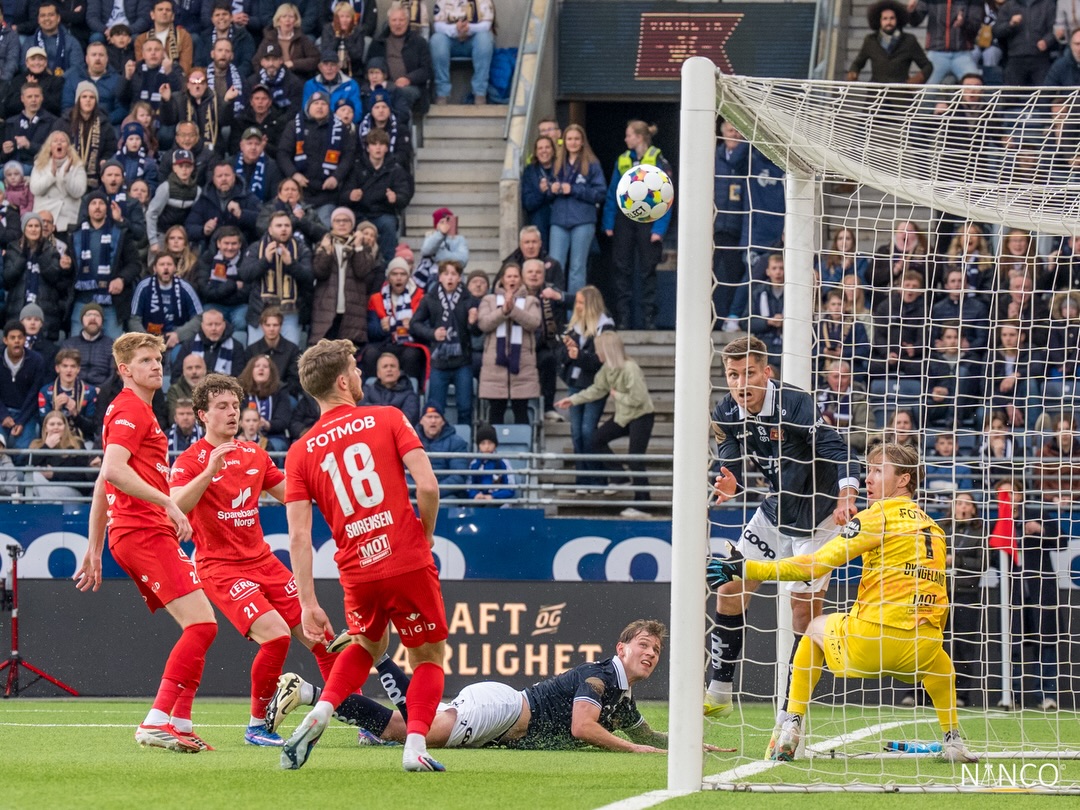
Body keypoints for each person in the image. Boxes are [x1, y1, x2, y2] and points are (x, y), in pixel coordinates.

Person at [705, 442, 979, 764]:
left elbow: (812, 566)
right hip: (922, 649)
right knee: (941, 663)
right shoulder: (934, 529)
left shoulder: (876, 517)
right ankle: (953, 739)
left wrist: (747, 568)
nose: (868, 479)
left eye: (878, 471)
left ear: (903, 480)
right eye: (868, 471)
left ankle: (791, 723)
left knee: (812, 630)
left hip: (871, 644)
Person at [279, 338, 448, 772]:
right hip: (405, 556)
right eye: (355, 369)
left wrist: (307, 602)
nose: (360, 375)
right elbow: (428, 486)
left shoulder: (299, 452)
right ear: (342, 381)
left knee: (368, 644)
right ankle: (414, 747)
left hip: (357, 569)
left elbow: (299, 537)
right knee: (428, 658)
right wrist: (426, 535)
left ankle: (323, 709)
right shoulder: (387, 416)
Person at [704, 335, 860, 738]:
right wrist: (729, 477)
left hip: (820, 517)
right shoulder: (726, 410)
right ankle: (719, 692)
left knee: (802, 616)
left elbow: (837, 448)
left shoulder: (795, 403)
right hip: (777, 510)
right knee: (729, 585)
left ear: (767, 372)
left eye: (749, 373)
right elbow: (728, 451)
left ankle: (791, 715)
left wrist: (847, 495)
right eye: (733, 375)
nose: (741, 384)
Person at [168, 373, 333, 745]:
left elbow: (292, 495)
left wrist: (327, 483)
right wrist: (209, 473)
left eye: (235, 406)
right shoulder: (191, 461)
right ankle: (257, 727)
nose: (232, 413)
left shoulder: (254, 454)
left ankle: (365, 720)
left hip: (263, 561)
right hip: (220, 568)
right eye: (222, 407)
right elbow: (175, 507)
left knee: (322, 638)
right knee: (276, 637)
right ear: (202, 415)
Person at [74, 332, 219, 754]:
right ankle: (156, 721)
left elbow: (103, 480)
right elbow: (114, 472)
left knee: (200, 625)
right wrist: (169, 504)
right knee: (202, 625)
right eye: (145, 360)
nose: (156, 365)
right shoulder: (131, 409)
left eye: (157, 359)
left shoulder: (134, 410)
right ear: (124, 370)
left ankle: (180, 721)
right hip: (143, 529)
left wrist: (95, 547)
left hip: (135, 530)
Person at [291, 618, 676, 752]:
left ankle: (310, 691)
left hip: (499, 715)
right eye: (643, 645)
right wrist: (634, 749)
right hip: (502, 711)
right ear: (621, 648)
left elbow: (649, 735)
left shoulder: (622, 696)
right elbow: (582, 727)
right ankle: (374, 656)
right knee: (416, 732)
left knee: (401, 726)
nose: (650, 653)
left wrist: (684, 746)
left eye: (656, 650)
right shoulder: (601, 677)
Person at [555, 331, 654, 518]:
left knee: (635, 458)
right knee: (595, 439)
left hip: (641, 415)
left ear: (607, 350)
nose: (596, 354)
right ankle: (619, 476)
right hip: (623, 415)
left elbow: (639, 399)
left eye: (598, 350)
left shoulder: (630, 369)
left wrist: (617, 395)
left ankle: (643, 505)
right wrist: (573, 400)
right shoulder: (607, 369)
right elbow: (596, 390)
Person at [602, 120, 673, 329]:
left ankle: (649, 319)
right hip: (625, 219)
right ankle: (624, 318)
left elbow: (667, 197)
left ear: (639, 137)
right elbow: (613, 193)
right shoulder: (623, 160)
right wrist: (608, 222)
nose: (626, 139)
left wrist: (659, 229)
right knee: (621, 268)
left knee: (648, 270)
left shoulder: (658, 160)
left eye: (629, 135)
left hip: (649, 219)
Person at [277, 90, 355, 227]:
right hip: (300, 192)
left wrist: (336, 177)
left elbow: (348, 156)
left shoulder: (340, 128)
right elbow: (283, 153)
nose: (319, 107)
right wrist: (294, 174)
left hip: (327, 194)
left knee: (323, 228)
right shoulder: (294, 126)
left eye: (323, 104)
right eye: (316, 103)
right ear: (308, 107)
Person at [939, 491, 988, 708]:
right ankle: (923, 693)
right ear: (953, 507)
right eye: (959, 503)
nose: (963, 507)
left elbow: (983, 563)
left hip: (966, 593)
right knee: (933, 642)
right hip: (940, 592)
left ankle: (961, 694)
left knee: (963, 645)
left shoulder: (980, 532)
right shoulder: (942, 528)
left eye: (967, 504)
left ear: (974, 509)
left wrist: (956, 560)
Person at [410, 260, 474, 425]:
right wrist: (432, 333)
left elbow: (477, 332)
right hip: (439, 361)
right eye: (446, 274)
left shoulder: (468, 299)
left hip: (462, 361)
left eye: (454, 274)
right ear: (440, 277)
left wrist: (473, 322)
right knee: (435, 407)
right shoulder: (430, 298)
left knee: (465, 407)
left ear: (459, 278)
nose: (450, 278)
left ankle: (464, 438)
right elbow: (414, 324)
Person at [239, 210, 314, 347]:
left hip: (291, 312)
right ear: (270, 229)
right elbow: (245, 274)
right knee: (257, 355)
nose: (283, 229)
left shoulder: (301, 248)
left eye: (287, 225)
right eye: (279, 226)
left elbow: (309, 277)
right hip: (261, 310)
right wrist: (265, 261)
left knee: (291, 354)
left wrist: (291, 263)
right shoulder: (256, 247)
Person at [477, 262, 540, 425]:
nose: (512, 280)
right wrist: (503, 311)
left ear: (521, 280)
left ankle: (524, 442)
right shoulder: (489, 300)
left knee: (521, 412)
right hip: (495, 367)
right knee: (496, 412)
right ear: (502, 279)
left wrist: (514, 310)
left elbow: (534, 323)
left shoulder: (531, 301)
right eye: (509, 276)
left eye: (516, 276)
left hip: (523, 365)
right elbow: (484, 324)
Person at [548, 125, 605, 302]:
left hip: (583, 220)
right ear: (564, 141)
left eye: (576, 139)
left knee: (577, 268)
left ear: (582, 142)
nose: (572, 142)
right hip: (559, 220)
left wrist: (574, 189)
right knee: (555, 266)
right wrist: (551, 189)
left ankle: (575, 311)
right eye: (569, 139)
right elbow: (547, 191)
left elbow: (600, 193)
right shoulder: (557, 163)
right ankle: (555, 310)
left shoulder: (592, 164)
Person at [310, 207, 376, 346]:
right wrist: (327, 252)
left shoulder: (363, 247)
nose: (341, 224)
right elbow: (319, 273)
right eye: (337, 220)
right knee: (327, 353)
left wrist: (358, 248)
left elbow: (362, 272)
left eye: (346, 220)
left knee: (347, 354)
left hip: (352, 310)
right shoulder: (323, 244)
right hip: (327, 309)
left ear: (352, 224)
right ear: (332, 224)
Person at [3, 213, 69, 341]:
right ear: (24, 229)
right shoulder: (13, 249)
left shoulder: (51, 250)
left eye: (37, 226)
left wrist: (40, 255)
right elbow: (8, 278)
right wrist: (23, 255)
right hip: (18, 308)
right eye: (30, 226)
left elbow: (54, 277)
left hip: (45, 310)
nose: (33, 229)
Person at [363, 255, 427, 383]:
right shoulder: (376, 299)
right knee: (370, 354)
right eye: (394, 274)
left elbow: (426, 328)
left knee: (412, 355)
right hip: (384, 342)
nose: (398, 278)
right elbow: (370, 330)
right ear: (388, 277)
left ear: (408, 277)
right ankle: (372, 390)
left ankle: (408, 389)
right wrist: (381, 328)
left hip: (409, 343)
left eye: (403, 274)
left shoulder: (420, 297)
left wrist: (413, 326)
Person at [365, 2, 433, 118]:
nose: (397, 24)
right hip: (384, 84)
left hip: (411, 86)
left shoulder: (418, 42)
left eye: (401, 20)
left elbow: (427, 70)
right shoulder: (378, 42)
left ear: (407, 22)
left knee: (399, 94)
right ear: (389, 22)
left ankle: (401, 126)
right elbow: (369, 66)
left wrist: (408, 79)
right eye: (394, 20)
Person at [130, 252, 203, 350]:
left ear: (175, 268)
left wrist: (179, 335)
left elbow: (198, 317)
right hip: (148, 340)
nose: (165, 268)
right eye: (162, 264)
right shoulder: (144, 287)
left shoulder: (185, 287)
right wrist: (147, 340)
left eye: (169, 264)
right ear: (155, 268)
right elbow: (134, 319)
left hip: (178, 341)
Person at [847, 0, 933, 82]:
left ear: (897, 19)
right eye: (885, 18)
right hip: (876, 91)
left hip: (900, 91)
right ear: (879, 20)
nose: (888, 22)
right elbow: (857, 63)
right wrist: (853, 73)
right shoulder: (870, 40)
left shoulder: (909, 41)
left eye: (892, 18)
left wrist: (917, 79)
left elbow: (927, 66)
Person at [429, 0, 494, 105]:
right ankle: (442, 94)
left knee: (485, 38)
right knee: (437, 39)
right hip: (450, 42)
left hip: (473, 42)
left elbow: (486, 25)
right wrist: (455, 29)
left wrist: (469, 28)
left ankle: (480, 94)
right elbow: (438, 26)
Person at [26, 410, 93, 501]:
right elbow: (26, 466)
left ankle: (45, 506)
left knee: (44, 497)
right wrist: (46, 447)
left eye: (59, 424)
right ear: (45, 428)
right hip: (43, 488)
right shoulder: (36, 445)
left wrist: (54, 474)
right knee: (35, 475)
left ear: (65, 427)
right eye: (52, 424)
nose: (56, 427)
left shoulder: (76, 444)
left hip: (70, 490)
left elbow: (82, 476)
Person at [29, 130, 87, 233]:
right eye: (55, 141)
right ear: (50, 147)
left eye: (63, 141)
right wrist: (51, 175)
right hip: (43, 219)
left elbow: (78, 192)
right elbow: (35, 189)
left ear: (68, 147)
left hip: (66, 220)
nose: (59, 143)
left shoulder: (77, 166)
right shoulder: (39, 164)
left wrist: (66, 175)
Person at [0, 320, 46, 449]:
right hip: (2, 410)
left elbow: (34, 394)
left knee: (24, 452)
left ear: (25, 339)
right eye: (12, 338)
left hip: (26, 413)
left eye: (20, 337)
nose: (16, 341)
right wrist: (3, 416)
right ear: (5, 340)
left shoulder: (36, 360)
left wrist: (21, 421)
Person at [172, 306, 249, 379]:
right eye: (209, 324)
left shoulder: (236, 347)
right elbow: (176, 376)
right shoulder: (189, 344)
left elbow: (239, 378)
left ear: (224, 325)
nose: (213, 328)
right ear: (202, 326)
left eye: (217, 324)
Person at [38, 348, 97, 441]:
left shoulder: (90, 391)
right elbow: (42, 425)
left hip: (82, 439)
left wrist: (75, 414)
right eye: (65, 366)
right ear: (57, 368)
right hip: (53, 439)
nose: (69, 370)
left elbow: (92, 427)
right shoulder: (45, 391)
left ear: (78, 369)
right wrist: (55, 411)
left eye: (73, 366)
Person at [992, 0, 1056, 85]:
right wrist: (1010, 24)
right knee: (1010, 92)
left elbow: (1055, 29)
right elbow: (996, 31)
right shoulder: (1009, 6)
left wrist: (1047, 41)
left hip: (1040, 57)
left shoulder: (1047, 4)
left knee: (1044, 91)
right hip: (1015, 57)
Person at [237, 354, 292, 451]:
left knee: (272, 446)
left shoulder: (280, 391)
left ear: (271, 372)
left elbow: (283, 421)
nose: (261, 369)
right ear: (250, 371)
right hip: (245, 434)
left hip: (273, 436)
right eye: (257, 366)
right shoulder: (241, 392)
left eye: (265, 367)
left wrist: (266, 424)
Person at [417, 402, 468, 499]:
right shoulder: (410, 441)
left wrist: (434, 492)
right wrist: (419, 490)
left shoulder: (457, 442)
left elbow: (459, 476)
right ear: (421, 421)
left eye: (437, 417)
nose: (433, 421)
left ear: (443, 421)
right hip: (417, 494)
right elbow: (403, 472)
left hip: (445, 495)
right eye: (429, 417)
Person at [247, 306, 302, 397]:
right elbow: (247, 377)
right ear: (262, 326)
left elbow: (294, 379)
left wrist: (280, 391)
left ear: (281, 326)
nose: (271, 329)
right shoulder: (251, 350)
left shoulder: (293, 350)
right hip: (256, 394)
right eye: (268, 325)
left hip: (284, 395)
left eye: (275, 325)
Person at [256, 4, 319, 80]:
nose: (287, 20)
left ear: (295, 20)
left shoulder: (302, 38)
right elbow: (256, 61)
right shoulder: (270, 38)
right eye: (284, 16)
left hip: (296, 78)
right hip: (272, 77)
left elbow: (315, 59)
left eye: (291, 17)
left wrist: (294, 64)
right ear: (278, 20)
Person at [3, 83, 58, 170]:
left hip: (39, 167)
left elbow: (54, 151)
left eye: (36, 96)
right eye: (29, 97)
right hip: (12, 169)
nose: (33, 100)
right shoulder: (10, 123)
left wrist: (29, 145)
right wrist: (5, 151)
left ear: (42, 98)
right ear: (22, 98)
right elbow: (2, 157)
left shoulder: (53, 122)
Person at [133, 0, 194, 76]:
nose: (164, 12)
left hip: (175, 78)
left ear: (173, 16)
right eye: (160, 9)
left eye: (168, 10)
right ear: (152, 15)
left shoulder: (183, 36)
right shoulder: (141, 39)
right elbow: (141, 66)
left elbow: (185, 66)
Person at [415, 207, 468, 290]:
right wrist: (441, 234)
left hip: (455, 277)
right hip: (435, 276)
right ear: (436, 225)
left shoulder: (460, 239)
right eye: (442, 222)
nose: (446, 225)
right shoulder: (431, 236)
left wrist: (438, 255)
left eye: (448, 221)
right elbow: (426, 250)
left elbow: (462, 260)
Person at [62, 303, 114, 386]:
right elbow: (63, 371)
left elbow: (113, 374)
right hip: (75, 389)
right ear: (82, 320)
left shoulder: (111, 345)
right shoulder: (69, 344)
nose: (93, 318)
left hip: (102, 390)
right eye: (88, 314)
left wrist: (102, 390)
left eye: (97, 315)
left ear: (102, 321)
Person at [521, 135, 557, 251]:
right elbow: (528, 203)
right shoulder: (530, 172)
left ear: (553, 150)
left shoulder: (562, 168)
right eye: (540, 148)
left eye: (547, 147)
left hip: (560, 221)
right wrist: (541, 192)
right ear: (536, 152)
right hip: (540, 222)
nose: (544, 151)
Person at [467, 422, 515, 501]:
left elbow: (510, 488)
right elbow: (469, 486)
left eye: (490, 443)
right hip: (478, 501)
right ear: (478, 445)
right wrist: (475, 495)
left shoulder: (503, 462)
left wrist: (494, 496)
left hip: (499, 501)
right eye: (483, 443)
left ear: (495, 445)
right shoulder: (474, 464)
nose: (487, 447)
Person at [166, 351, 204, 422]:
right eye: (189, 368)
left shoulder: (214, 390)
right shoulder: (174, 391)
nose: (194, 371)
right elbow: (174, 419)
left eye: (198, 367)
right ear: (183, 372)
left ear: (205, 369)